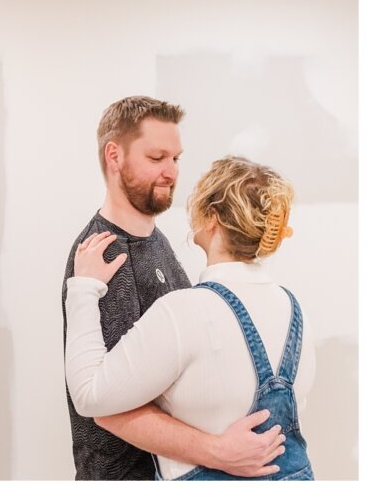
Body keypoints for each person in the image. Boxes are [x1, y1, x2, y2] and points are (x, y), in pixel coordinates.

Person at [62, 96, 287, 480]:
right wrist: (218, 451)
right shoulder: (102, 255)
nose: (171, 172)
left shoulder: (158, 241)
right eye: (156, 158)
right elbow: (106, 405)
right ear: (113, 156)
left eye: (176, 159)